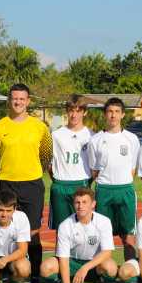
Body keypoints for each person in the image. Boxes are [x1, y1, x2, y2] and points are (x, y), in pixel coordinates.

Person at [0, 83, 52, 283]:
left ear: (28, 101)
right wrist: (6, 173)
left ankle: (34, 281)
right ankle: (4, 278)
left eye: (22, 99)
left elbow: (46, 156)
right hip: (6, 184)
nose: (18, 102)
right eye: (14, 98)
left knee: (32, 234)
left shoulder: (40, 127)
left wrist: (30, 173)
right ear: (9, 100)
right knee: (3, 230)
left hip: (32, 184)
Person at [40, 188, 117, 283]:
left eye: (84, 202)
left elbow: (107, 252)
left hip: (93, 265)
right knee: (46, 267)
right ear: (73, 204)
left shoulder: (104, 221)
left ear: (93, 204)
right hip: (72, 262)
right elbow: (63, 259)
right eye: (77, 202)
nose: (80, 206)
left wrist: (85, 268)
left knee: (110, 267)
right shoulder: (65, 225)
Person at [88, 98, 140, 263]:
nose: (113, 115)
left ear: (123, 114)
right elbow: (94, 170)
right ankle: (103, 278)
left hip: (125, 190)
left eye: (117, 112)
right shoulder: (95, 140)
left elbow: (133, 169)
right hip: (104, 191)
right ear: (105, 114)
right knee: (103, 237)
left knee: (129, 236)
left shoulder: (131, 139)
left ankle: (131, 278)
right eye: (110, 111)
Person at [49, 95, 93, 232]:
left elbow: (95, 166)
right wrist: (58, 179)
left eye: (78, 111)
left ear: (84, 112)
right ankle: (62, 254)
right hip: (60, 185)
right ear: (67, 111)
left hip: (82, 185)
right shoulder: (56, 135)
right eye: (71, 110)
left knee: (83, 228)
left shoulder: (92, 136)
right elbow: (49, 164)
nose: (74, 115)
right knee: (61, 230)